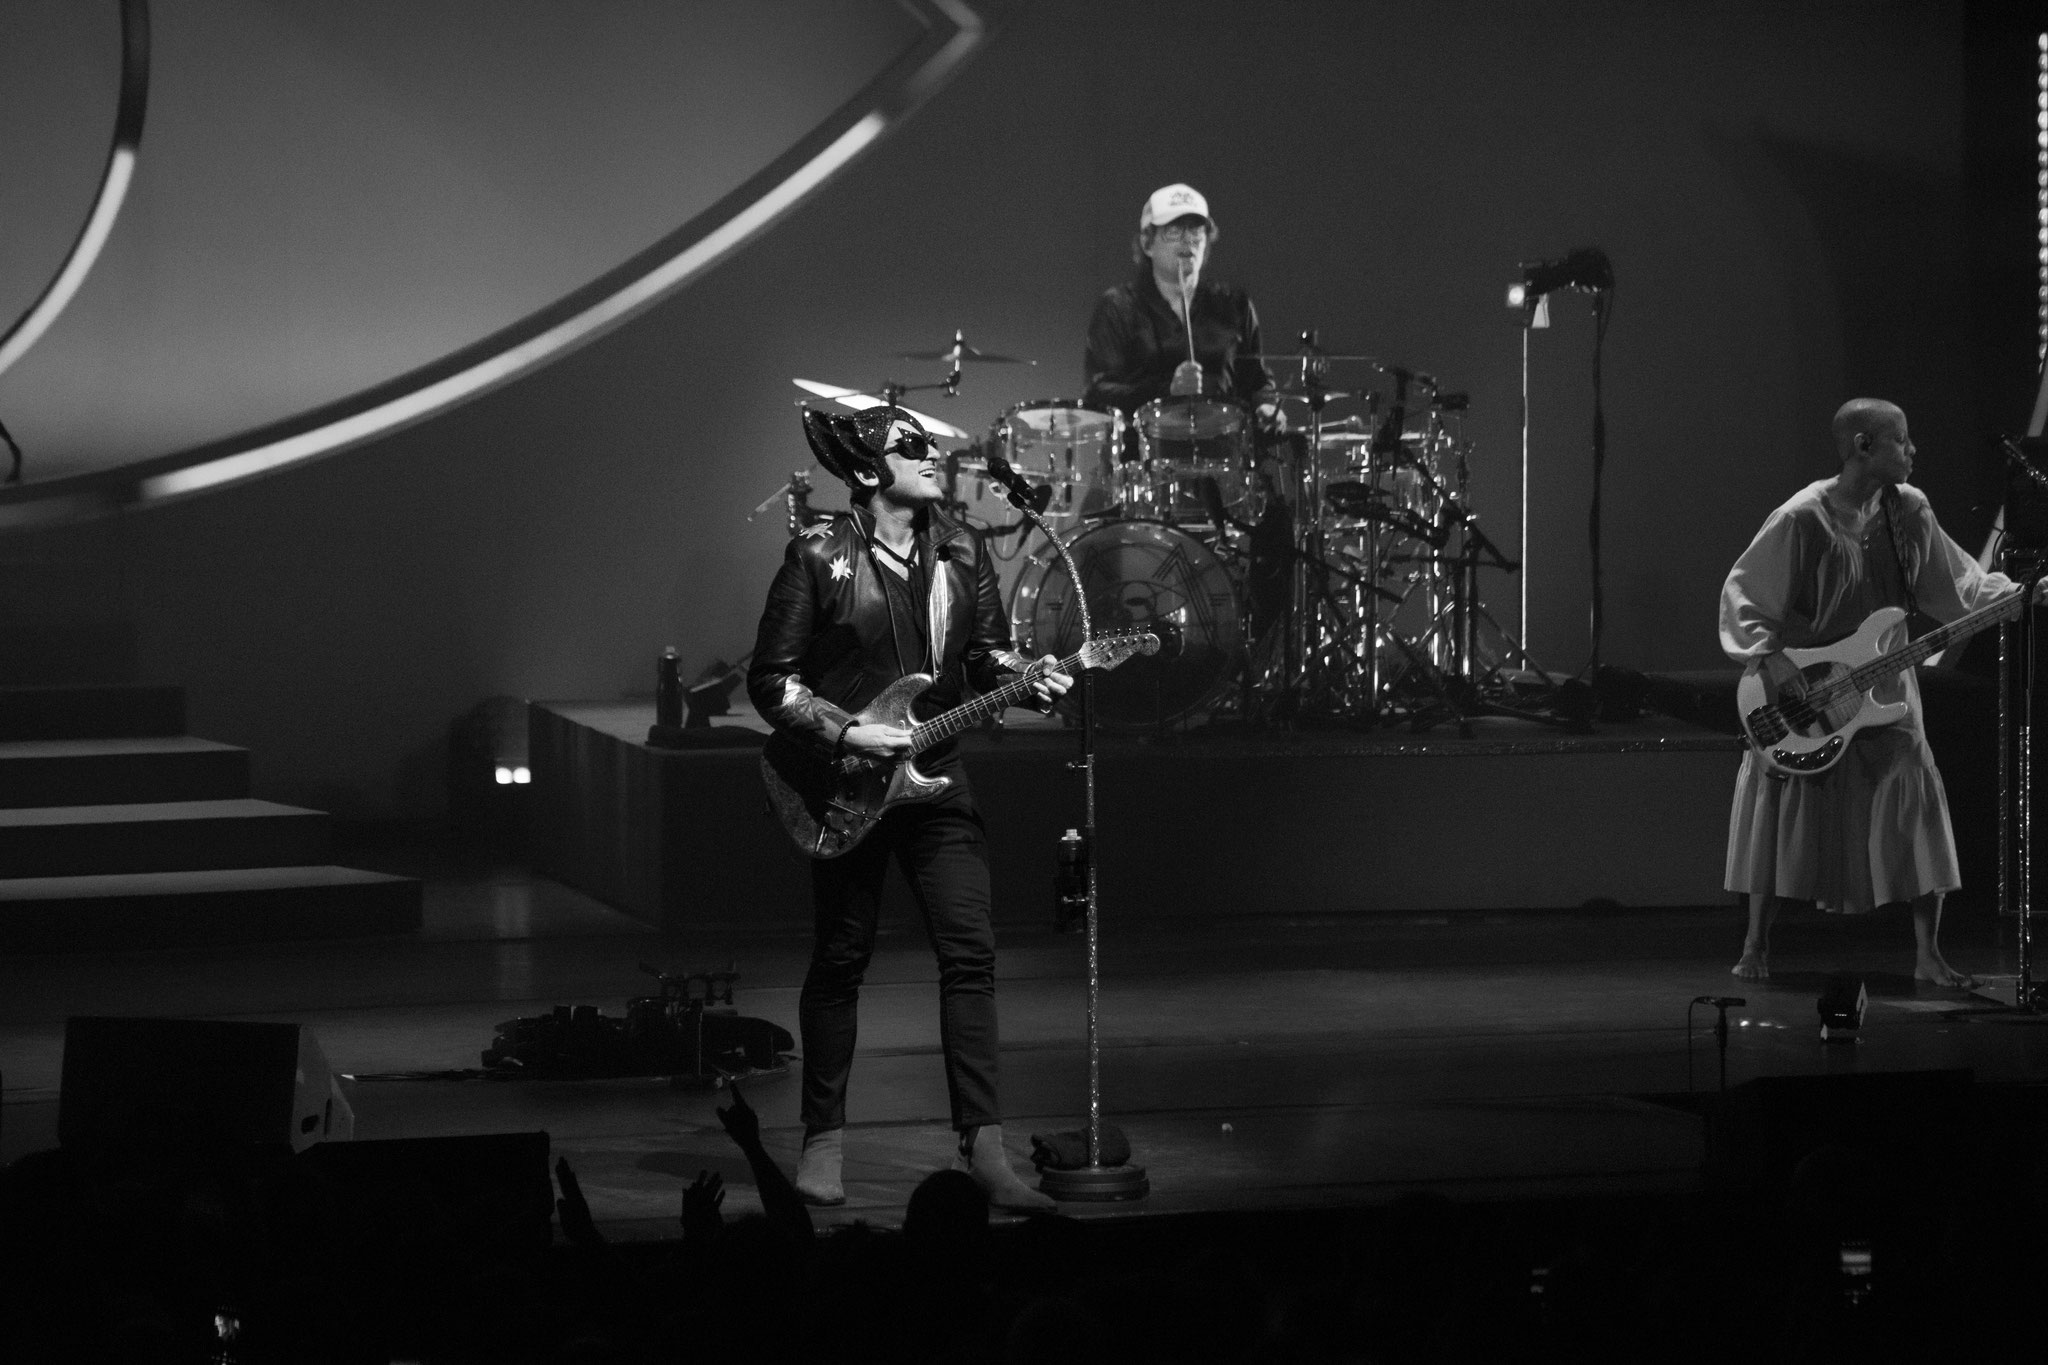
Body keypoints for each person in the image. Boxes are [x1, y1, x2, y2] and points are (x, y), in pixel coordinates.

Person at [748, 405, 1071, 1212]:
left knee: (971, 952)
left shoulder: (962, 549)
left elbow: (987, 653)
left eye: (932, 447)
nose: (934, 458)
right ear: (866, 472)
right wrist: (848, 729)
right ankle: (823, 1143)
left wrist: (1031, 676)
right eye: (912, 448)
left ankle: (987, 1152)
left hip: (938, 772)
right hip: (848, 781)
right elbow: (773, 678)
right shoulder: (818, 557)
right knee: (842, 958)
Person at [1723, 398, 2027, 986]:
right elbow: (1746, 598)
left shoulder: (1907, 510)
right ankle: (1756, 944)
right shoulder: (1801, 518)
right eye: (1901, 440)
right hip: (1806, 689)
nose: (1913, 452)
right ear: (1864, 445)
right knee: (1784, 795)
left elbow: (1956, 583)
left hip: (1885, 680)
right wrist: (1776, 664)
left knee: (1913, 800)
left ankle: (1928, 954)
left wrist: (2021, 592)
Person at [1082, 182, 1281, 428]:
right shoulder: (1118, 307)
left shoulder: (1233, 304)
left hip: (1224, 450)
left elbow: (1257, 378)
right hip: (1145, 456)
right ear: (1147, 243)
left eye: (1196, 230)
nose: (1187, 240)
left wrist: (1266, 404)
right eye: (1174, 230)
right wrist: (1166, 390)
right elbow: (1098, 392)